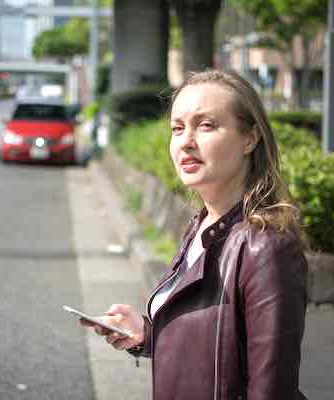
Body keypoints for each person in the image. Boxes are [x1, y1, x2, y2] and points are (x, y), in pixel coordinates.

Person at [79, 70, 309, 400]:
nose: (186, 140)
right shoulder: (200, 226)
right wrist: (147, 334)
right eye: (177, 128)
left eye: (206, 125)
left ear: (250, 138)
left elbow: (272, 389)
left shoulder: (265, 247)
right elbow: (217, 351)